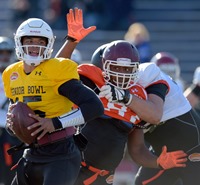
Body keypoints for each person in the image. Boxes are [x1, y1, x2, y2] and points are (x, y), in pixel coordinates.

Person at [56, 8, 188, 185]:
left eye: (127, 69)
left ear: (136, 69)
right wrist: (71, 41)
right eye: (117, 67)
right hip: (71, 166)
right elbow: (55, 74)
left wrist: (157, 162)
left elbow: (138, 149)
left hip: (104, 177)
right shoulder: (91, 80)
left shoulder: (138, 95)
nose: (122, 74)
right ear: (103, 65)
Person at [2, 17, 104, 185]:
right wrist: (13, 125)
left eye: (40, 41)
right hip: (31, 152)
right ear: (19, 42)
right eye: (29, 40)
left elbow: (95, 107)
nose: (34, 46)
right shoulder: (11, 74)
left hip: (61, 152)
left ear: (48, 45)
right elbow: (20, 113)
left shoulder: (57, 70)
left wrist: (55, 123)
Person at [0, 36, 23, 185]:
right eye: (1, 52)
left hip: (10, 132)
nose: (4, 56)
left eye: (7, 52)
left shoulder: (17, 75)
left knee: (11, 173)